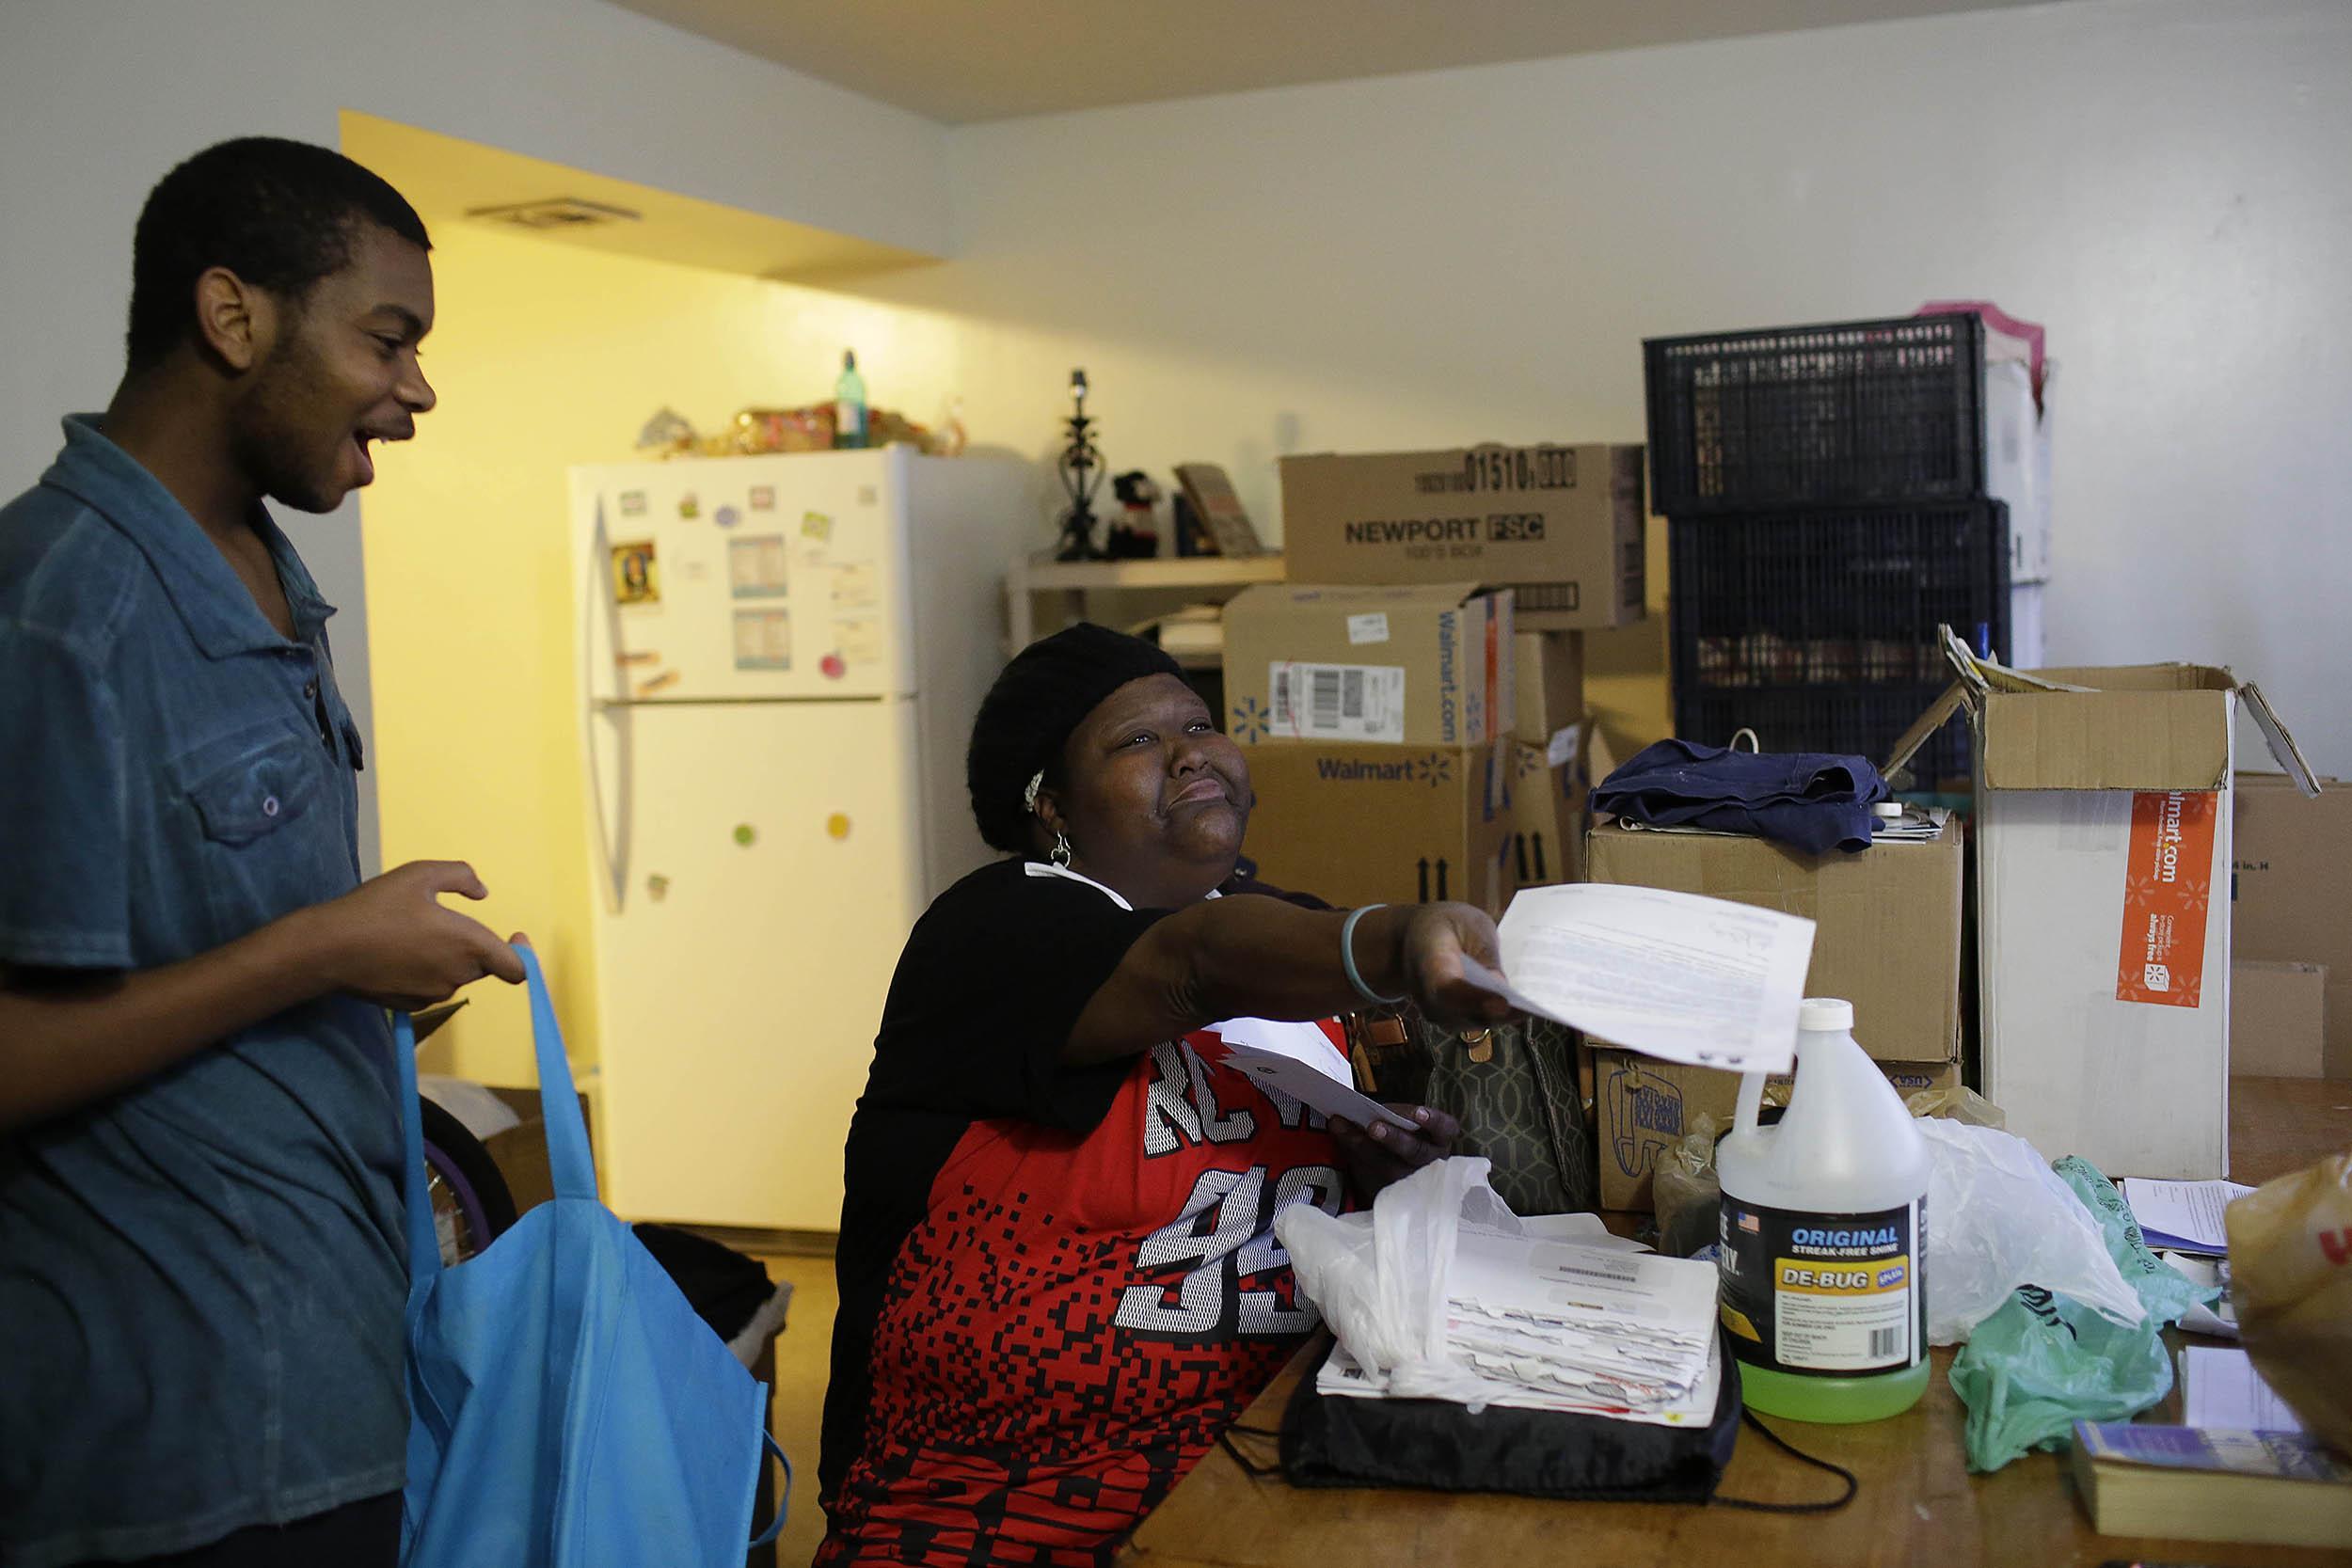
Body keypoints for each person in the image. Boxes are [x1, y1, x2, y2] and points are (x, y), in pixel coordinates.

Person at [0, 138, 526, 1568]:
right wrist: (320, 949)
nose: (415, 388)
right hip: (177, 1441)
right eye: (389, 338)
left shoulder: (271, 577)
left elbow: (190, 959)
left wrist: (352, 982)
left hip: (331, 1382)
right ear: (232, 318)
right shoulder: (58, 610)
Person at [818, 624, 1512, 1567]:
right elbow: (1188, 967)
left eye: (1199, 721)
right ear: (1049, 804)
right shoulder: (990, 930)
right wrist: (1399, 941)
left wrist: (1382, 1165)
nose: (1190, 748)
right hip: (999, 1507)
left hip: (1272, 1473)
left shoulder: (1295, 936)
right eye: (1135, 740)